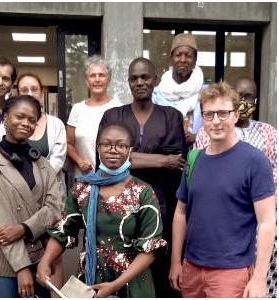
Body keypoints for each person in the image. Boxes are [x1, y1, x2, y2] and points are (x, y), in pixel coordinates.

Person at [169, 81, 276, 298]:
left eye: (223, 113)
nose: (216, 121)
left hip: (232, 273)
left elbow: (267, 222)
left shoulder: (254, 161)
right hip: (191, 269)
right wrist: (175, 262)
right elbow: (181, 212)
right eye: (209, 115)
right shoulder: (193, 158)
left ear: (236, 115)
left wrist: (258, 278)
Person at [36, 122, 167, 298]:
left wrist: (115, 285)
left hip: (132, 285)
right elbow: (63, 231)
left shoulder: (142, 192)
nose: (113, 150)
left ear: (130, 150)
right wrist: (45, 260)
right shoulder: (82, 189)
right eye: (106, 144)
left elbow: (150, 249)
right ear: (98, 147)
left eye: (121, 145)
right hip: (90, 283)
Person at [97, 57, 188, 297]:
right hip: (118, 210)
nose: (139, 82)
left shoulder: (171, 116)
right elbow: (106, 160)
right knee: (120, 270)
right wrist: (161, 160)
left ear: (155, 80)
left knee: (157, 271)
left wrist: (131, 158)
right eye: (134, 78)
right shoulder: (113, 116)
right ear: (128, 82)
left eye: (145, 77)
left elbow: (177, 162)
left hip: (160, 209)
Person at [0, 95, 62, 298]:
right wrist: (21, 268)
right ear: (5, 117)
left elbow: (55, 208)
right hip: (6, 263)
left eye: (32, 119)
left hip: (40, 260)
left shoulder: (41, 162)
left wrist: (24, 228)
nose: (26, 123)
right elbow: (2, 226)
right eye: (20, 116)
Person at [66, 55, 122, 178]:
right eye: (92, 75)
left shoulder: (119, 108)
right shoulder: (77, 109)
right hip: (84, 177)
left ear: (109, 79)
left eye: (101, 75)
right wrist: (80, 161)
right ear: (87, 81)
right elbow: (68, 143)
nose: (97, 79)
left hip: (112, 178)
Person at [152, 33, 204, 146]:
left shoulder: (207, 93)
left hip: (199, 157)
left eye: (188, 56)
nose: (183, 60)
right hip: (165, 156)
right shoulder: (156, 95)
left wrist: (197, 136)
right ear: (171, 58)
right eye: (178, 55)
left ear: (195, 59)